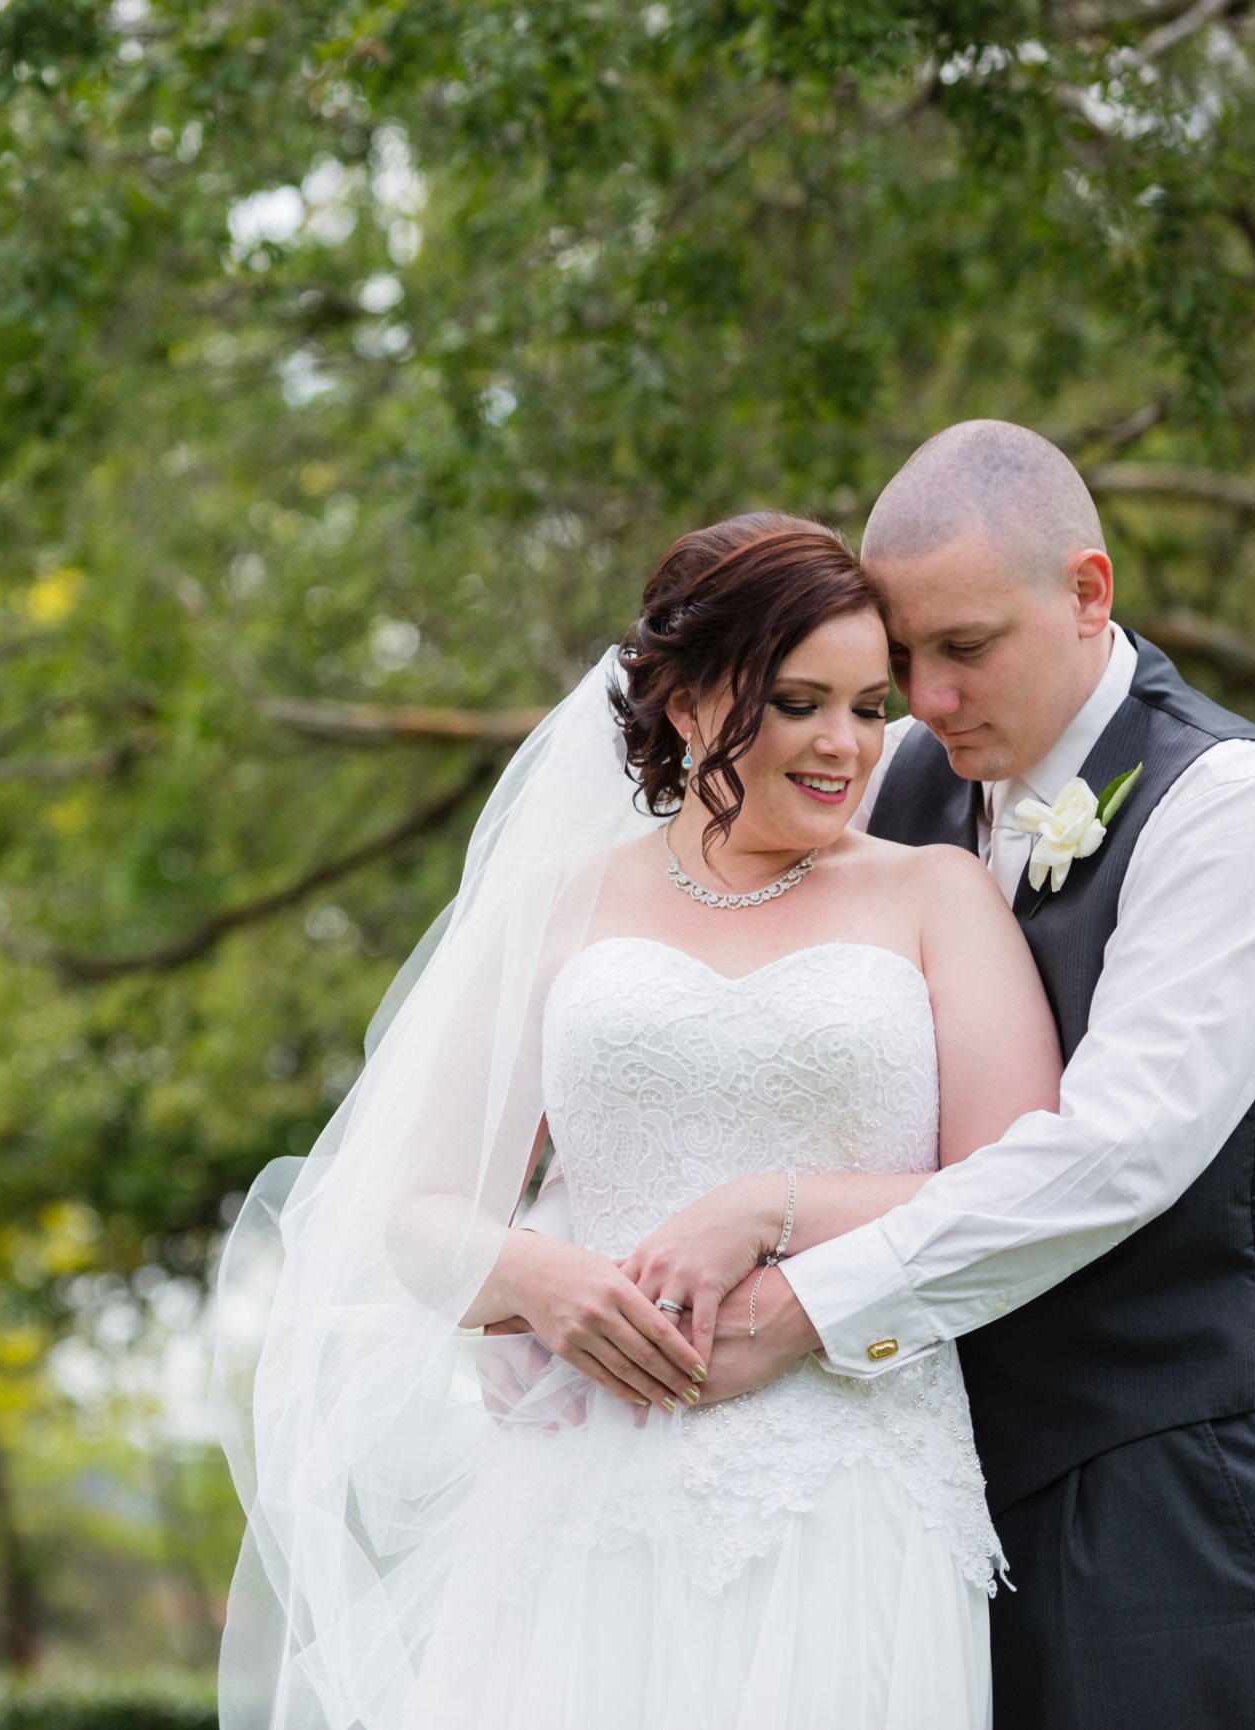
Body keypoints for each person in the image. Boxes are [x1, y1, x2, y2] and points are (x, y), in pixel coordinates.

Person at [214, 512, 1060, 1730]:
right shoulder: (557, 902)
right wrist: (538, 1275)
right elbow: (417, 1213)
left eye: (871, 708)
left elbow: (1015, 1184)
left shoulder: (935, 892)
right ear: (687, 702)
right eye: (798, 701)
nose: (845, 745)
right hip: (580, 1484)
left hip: (851, 1480)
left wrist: (773, 1207)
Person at [617, 421, 1255, 1729]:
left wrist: (793, 1290)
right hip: (912, 1489)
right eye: (902, 659)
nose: (929, 700)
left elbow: (1112, 1153)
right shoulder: (898, 780)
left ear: (1086, 591)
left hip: (1170, 1485)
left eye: (963, 649)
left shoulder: (1233, 809)